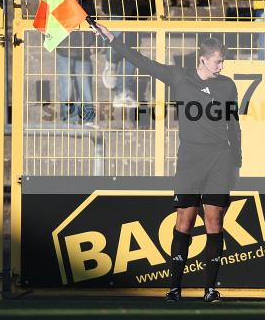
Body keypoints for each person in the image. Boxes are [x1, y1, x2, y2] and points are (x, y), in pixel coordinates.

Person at [94, 23, 241, 303]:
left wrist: (237, 161)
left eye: (223, 61)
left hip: (220, 160)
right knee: (183, 222)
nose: (221, 66)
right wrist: (112, 40)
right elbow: (143, 62)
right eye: (217, 61)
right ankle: (174, 288)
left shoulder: (227, 86)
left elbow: (234, 125)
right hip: (190, 160)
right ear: (203, 59)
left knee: (214, 222)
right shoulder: (179, 77)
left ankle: (210, 290)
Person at [55, 0, 97, 127]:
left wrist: (93, 43)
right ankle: (69, 118)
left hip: (83, 50)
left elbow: (92, 21)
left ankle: (88, 118)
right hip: (63, 49)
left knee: (85, 86)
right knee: (66, 87)